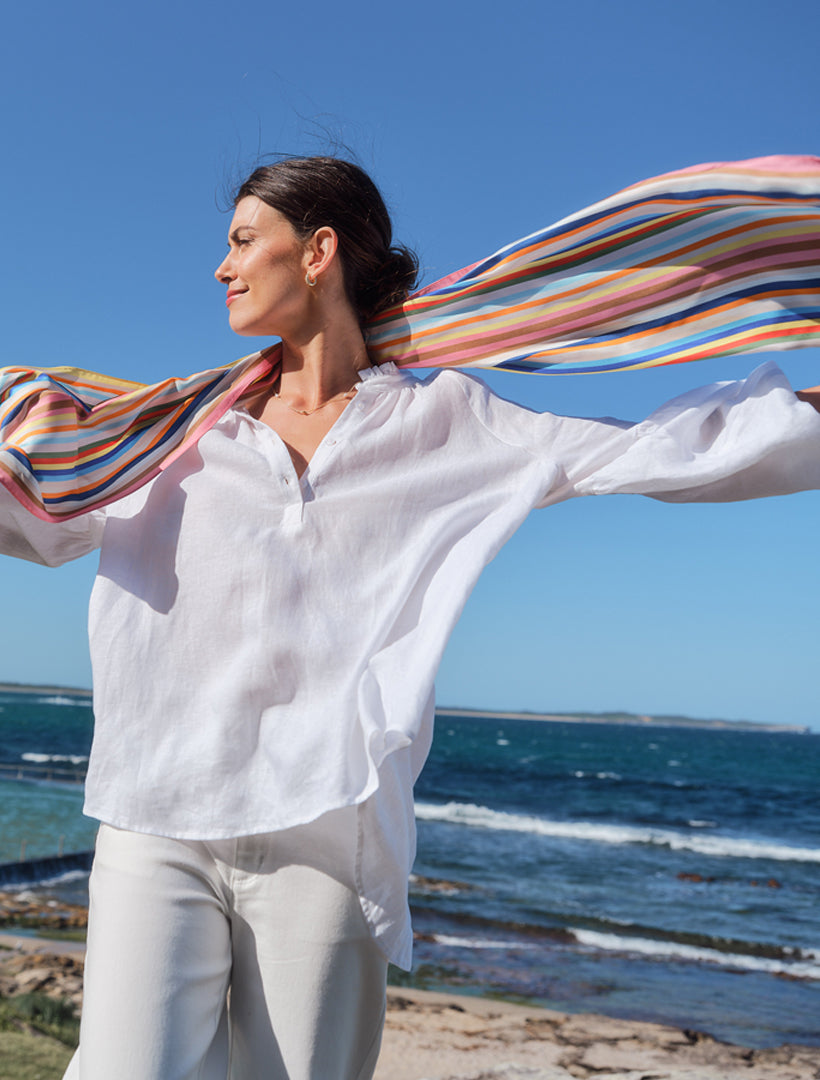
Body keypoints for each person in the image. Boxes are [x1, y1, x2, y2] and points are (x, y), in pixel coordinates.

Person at [0, 156, 819, 1080]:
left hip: (327, 832)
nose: (220, 268)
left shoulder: (449, 422)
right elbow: (35, 508)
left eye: (240, 241)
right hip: (155, 815)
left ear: (318, 251)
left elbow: (656, 451)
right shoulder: (172, 432)